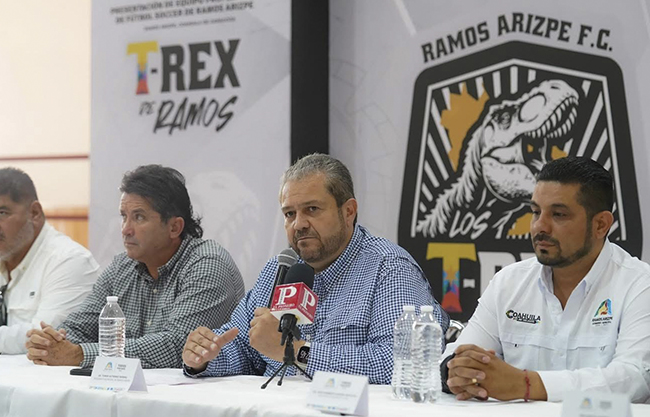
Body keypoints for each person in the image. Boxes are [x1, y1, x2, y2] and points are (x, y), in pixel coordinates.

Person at [182, 153, 449, 384]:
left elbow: (401, 363)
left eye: (312, 209)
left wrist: (297, 352)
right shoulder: (280, 268)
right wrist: (206, 356)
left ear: (349, 211)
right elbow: (242, 347)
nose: (299, 224)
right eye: (289, 214)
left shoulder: (388, 268)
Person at [442, 156, 650, 403]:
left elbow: (634, 378)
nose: (540, 227)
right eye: (535, 212)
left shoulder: (639, 284)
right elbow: (458, 356)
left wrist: (526, 385)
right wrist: (458, 371)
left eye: (558, 214)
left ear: (600, 225)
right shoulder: (508, 282)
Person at [25, 165, 245, 368]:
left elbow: (177, 347)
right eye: (124, 217)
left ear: (174, 227)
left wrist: (79, 355)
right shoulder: (122, 266)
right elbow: (80, 326)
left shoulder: (207, 264)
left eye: (139, 217)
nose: (125, 229)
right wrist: (51, 344)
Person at [0, 168, 98, 354]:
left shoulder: (70, 261)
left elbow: (46, 339)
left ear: (35, 213)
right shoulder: (6, 256)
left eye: (2, 213)